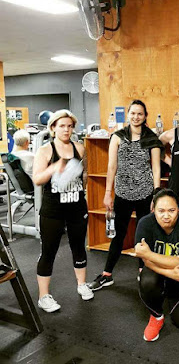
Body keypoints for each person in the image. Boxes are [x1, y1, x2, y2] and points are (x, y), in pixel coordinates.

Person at [90, 100, 163, 291]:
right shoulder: (118, 136)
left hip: (145, 193)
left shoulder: (152, 138)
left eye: (140, 114)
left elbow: (156, 168)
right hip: (122, 193)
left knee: (144, 235)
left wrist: (156, 196)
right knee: (118, 234)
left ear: (145, 116)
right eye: (133, 113)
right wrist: (108, 193)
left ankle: (143, 271)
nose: (136, 117)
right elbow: (111, 166)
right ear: (128, 115)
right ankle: (107, 274)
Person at [33, 109, 93, 312]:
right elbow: (37, 179)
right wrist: (54, 167)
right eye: (62, 126)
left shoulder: (80, 148)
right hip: (53, 210)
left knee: (78, 246)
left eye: (69, 126)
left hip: (76, 207)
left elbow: (84, 175)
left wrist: (79, 189)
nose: (66, 130)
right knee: (49, 251)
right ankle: (43, 296)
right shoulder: (45, 151)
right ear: (53, 128)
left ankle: (82, 284)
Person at [134, 188, 179, 342]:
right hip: (167, 273)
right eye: (161, 211)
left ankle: (171, 292)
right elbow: (146, 261)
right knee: (147, 280)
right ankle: (156, 315)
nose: (166, 216)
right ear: (153, 209)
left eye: (171, 210)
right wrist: (170, 274)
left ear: (178, 209)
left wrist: (149, 254)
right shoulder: (145, 223)